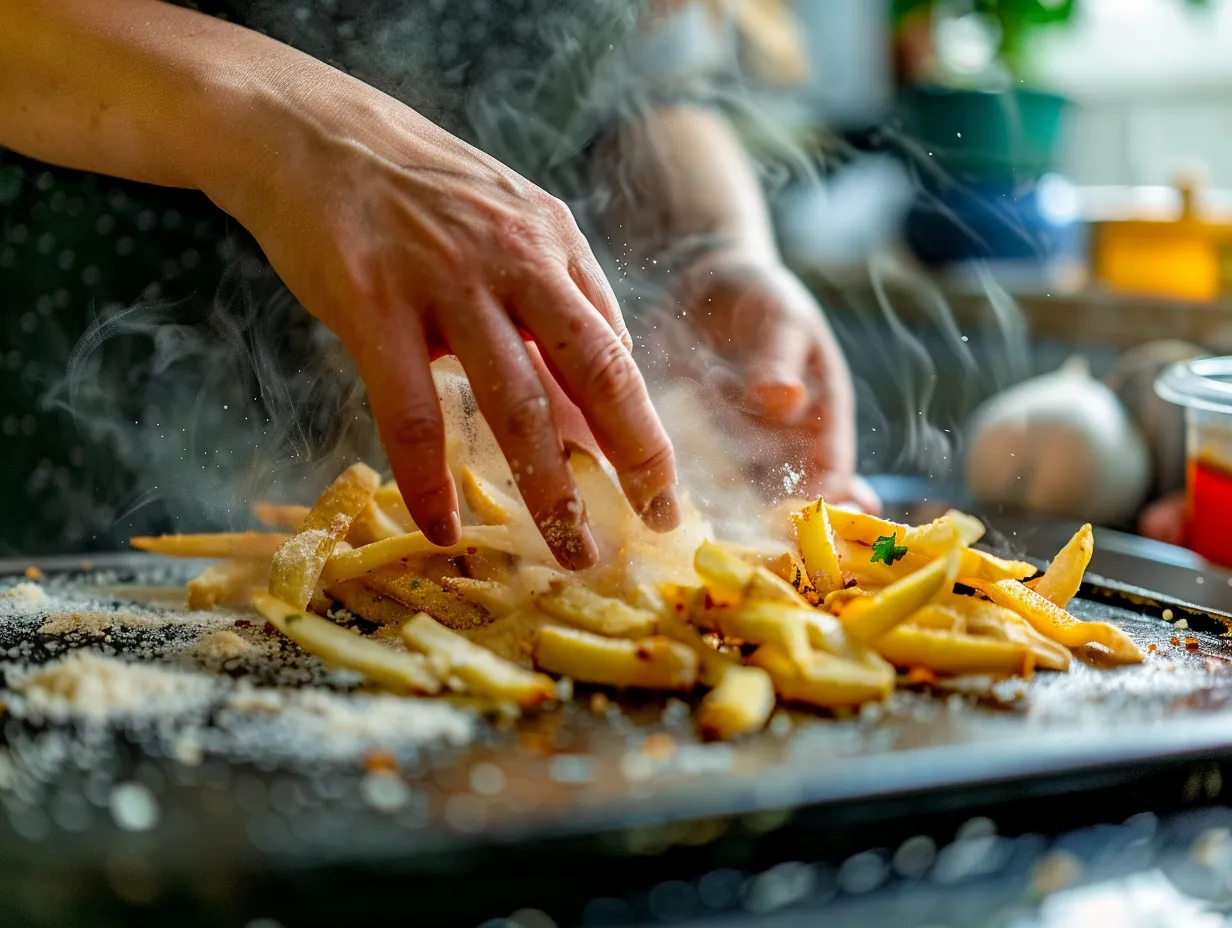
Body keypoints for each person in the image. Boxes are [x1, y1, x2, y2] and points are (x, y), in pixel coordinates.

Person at [0, 0, 873, 567]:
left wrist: (714, 251)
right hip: (63, 449)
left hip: (435, 547)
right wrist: (302, 128)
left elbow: (648, 82)